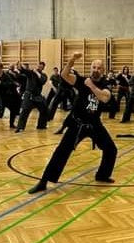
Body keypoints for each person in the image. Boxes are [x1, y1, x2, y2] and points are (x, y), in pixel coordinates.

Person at [28, 53, 116, 193]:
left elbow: (104, 98)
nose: (96, 70)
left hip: (94, 124)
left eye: (99, 68)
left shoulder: (105, 84)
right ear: (90, 68)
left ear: (103, 70)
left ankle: (102, 175)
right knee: (61, 152)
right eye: (94, 67)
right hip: (77, 123)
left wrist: (92, 87)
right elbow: (64, 75)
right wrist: (72, 60)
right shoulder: (82, 80)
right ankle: (43, 182)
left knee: (111, 149)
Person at [15, 61, 50, 132]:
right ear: (37, 66)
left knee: (44, 109)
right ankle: (20, 127)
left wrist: (36, 72)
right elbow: (24, 71)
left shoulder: (44, 75)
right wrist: (20, 67)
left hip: (37, 96)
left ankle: (41, 125)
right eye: (39, 66)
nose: (40, 67)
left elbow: (42, 80)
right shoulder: (31, 73)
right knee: (24, 111)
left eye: (41, 66)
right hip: (29, 95)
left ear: (43, 68)